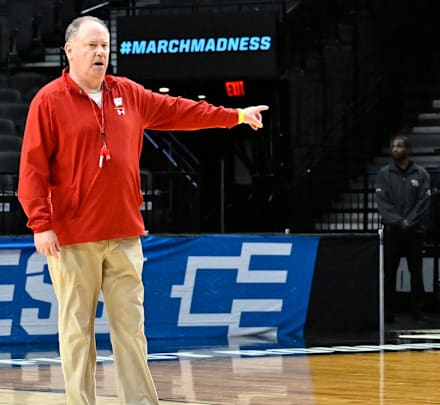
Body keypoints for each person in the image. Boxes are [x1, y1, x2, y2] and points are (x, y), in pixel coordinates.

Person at [17, 15, 269, 405]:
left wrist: (233, 115)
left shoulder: (128, 94)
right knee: (76, 331)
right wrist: (40, 223)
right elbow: (33, 167)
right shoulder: (48, 101)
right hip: (72, 237)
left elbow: (181, 111)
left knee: (131, 329)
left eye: (104, 45)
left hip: (124, 234)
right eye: (91, 45)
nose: (100, 52)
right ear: (69, 51)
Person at [376, 135, 432, 323]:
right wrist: (399, 221)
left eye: (399, 146)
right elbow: (382, 202)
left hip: (414, 232)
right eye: (393, 147)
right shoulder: (384, 174)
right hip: (393, 231)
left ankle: (418, 311)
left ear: (407, 149)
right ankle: (387, 312)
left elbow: (424, 201)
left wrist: (410, 221)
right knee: (389, 273)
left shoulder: (420, 173)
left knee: (416, 272)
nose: (395, 150)